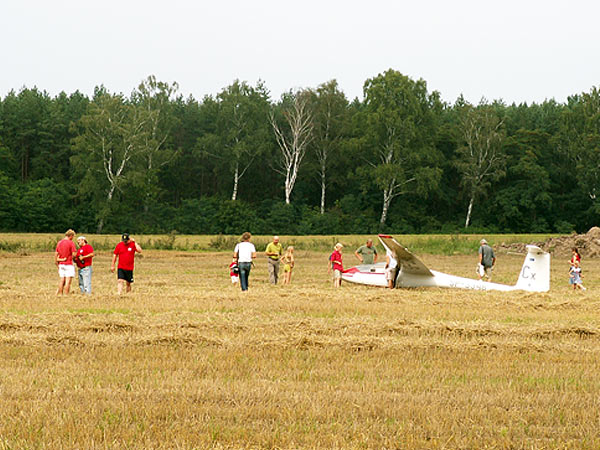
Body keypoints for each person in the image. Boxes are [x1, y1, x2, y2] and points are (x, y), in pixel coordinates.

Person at [55, 229, 77, 295]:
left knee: (62, 280)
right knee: (68, 281)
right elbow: (74, 254)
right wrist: (74, 258)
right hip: (68, 264)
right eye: (73, 236)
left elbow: (56, 254)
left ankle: (60, 294)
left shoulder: (59, 242)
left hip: (61, 264)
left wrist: (57, 262)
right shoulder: (71, 243)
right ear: (71, 236)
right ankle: (66, 294)